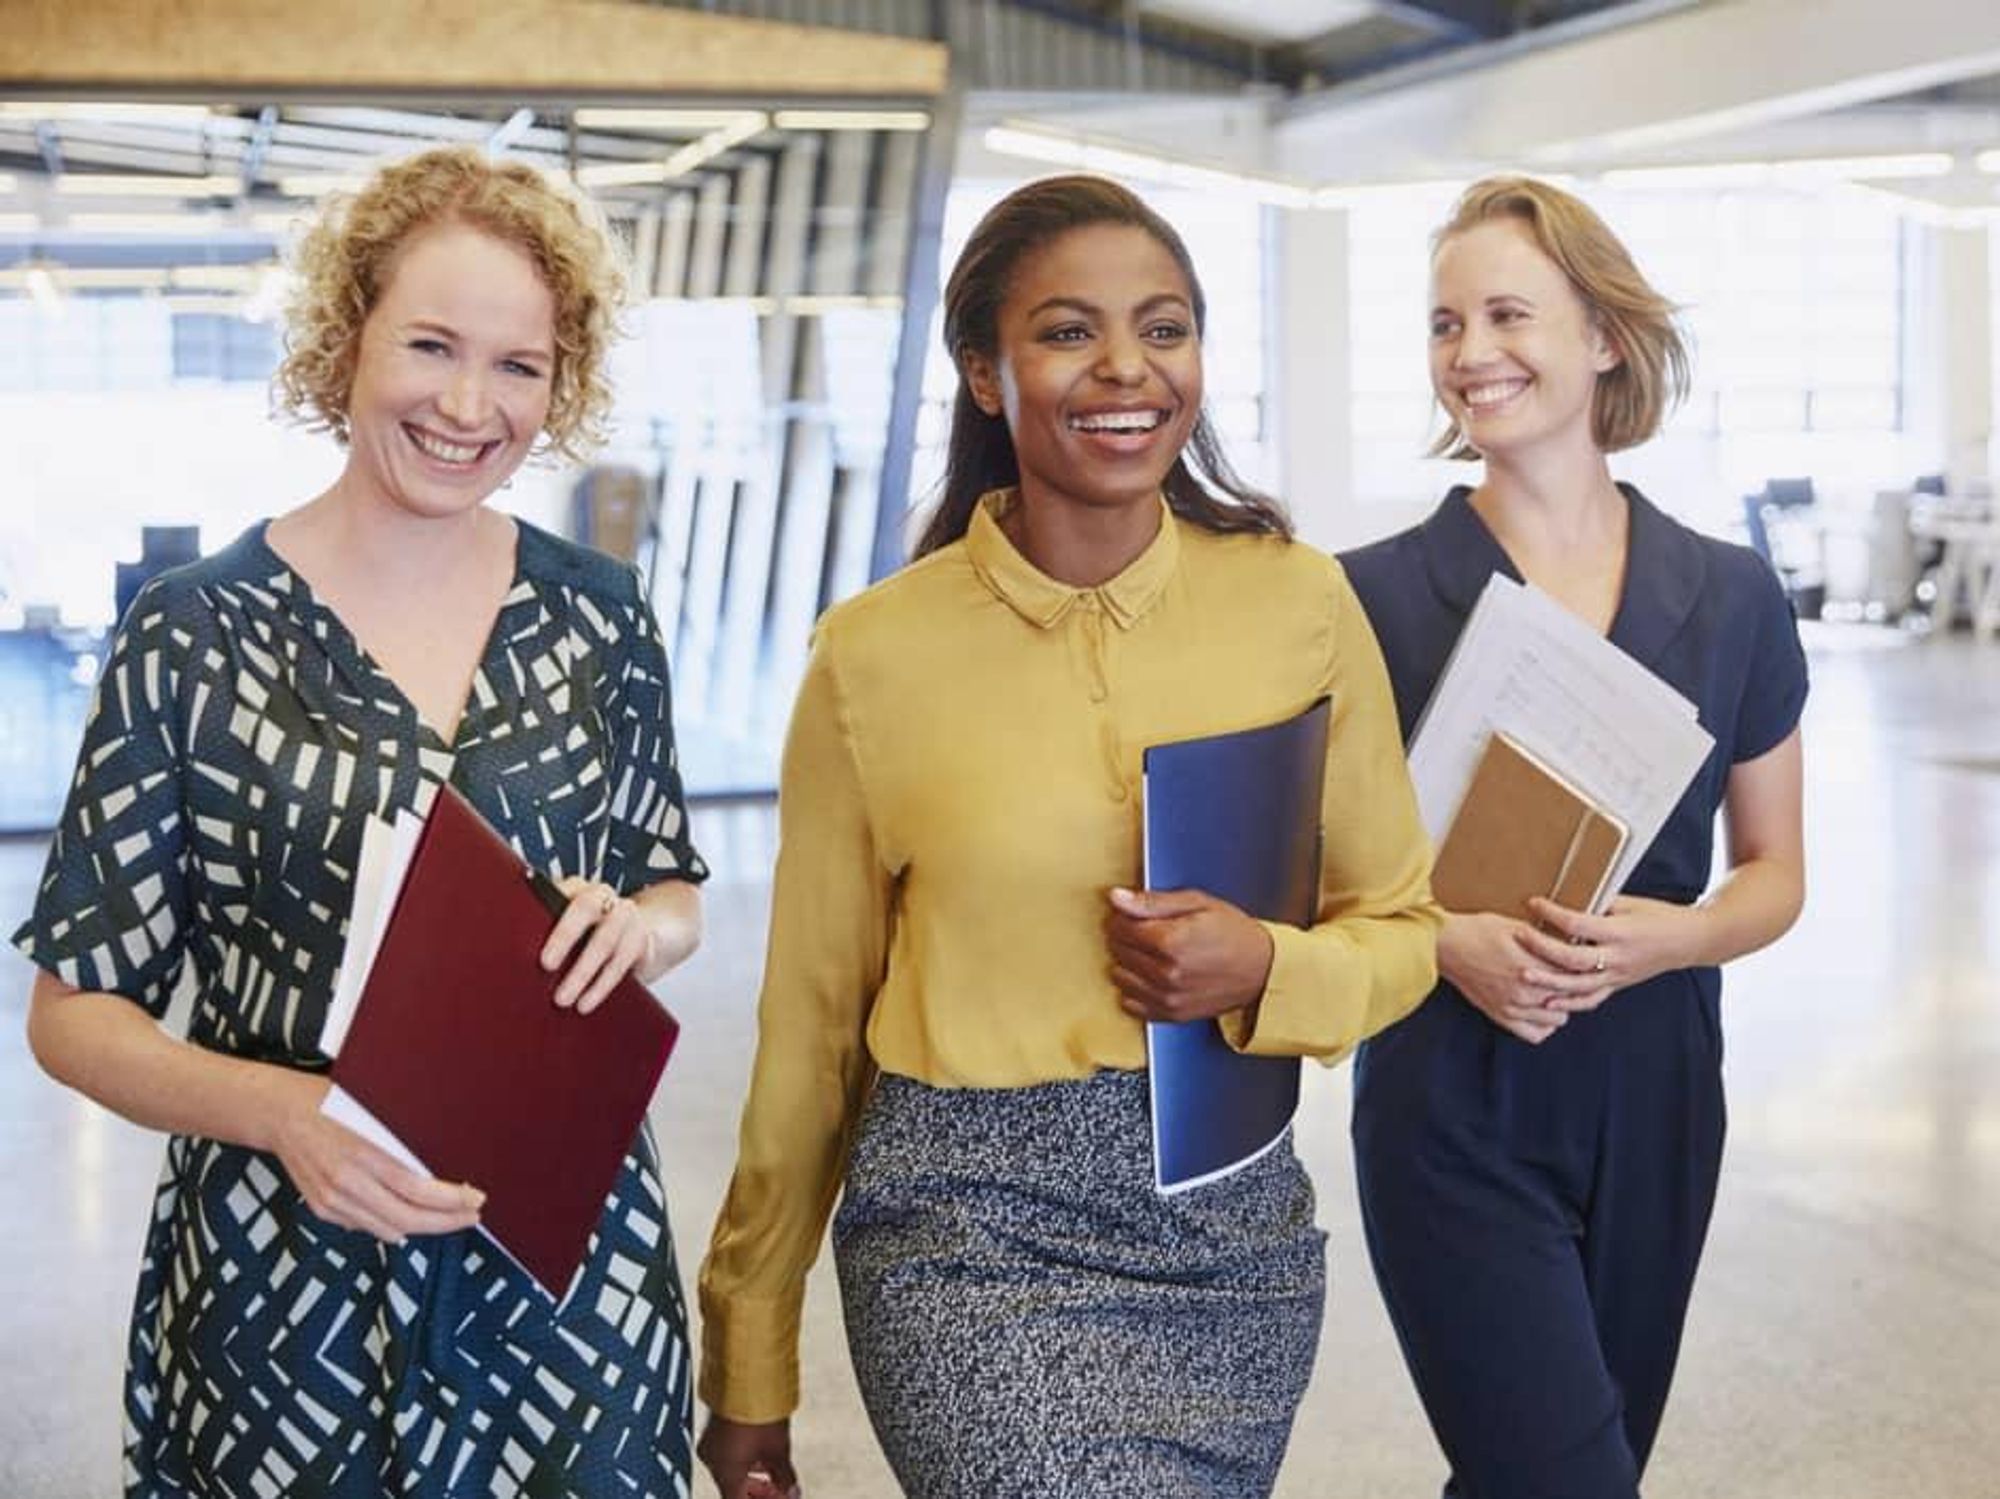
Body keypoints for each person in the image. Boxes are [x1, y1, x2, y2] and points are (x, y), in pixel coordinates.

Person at [694, 174, 1440, 1499]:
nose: (1125, 369)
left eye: (1164, 328)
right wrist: (749, 1354)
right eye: (1066, 331)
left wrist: (1270, 969)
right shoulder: (873, 657)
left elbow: (1402, 930)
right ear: (984, 373)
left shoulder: (1298, 604)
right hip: (965, 1232)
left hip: (1231, 1237)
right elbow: (809, 1026)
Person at [15, 146, 708, 1497]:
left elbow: (672, 877)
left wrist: (646, 931)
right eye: (431, 345)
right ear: (345, 343)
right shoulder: (198, 634)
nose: (469, 404)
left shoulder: (596, 618)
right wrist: (288, 1116)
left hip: (561, 1281)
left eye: (519, 364)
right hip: (287, 1293)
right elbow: (73, 1011)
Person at [1341, 176, 1808, 1498]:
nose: (1469, 355)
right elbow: (1310, 882)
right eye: (1444, 325)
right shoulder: (1368, 600)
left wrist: (1684, 936)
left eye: (1505, 314)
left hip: (1656, 1089)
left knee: (1566, 1470)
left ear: (1605, 336)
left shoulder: (1729, 598)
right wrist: (1444, 942)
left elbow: (1775, 871)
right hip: (1449, 1093)